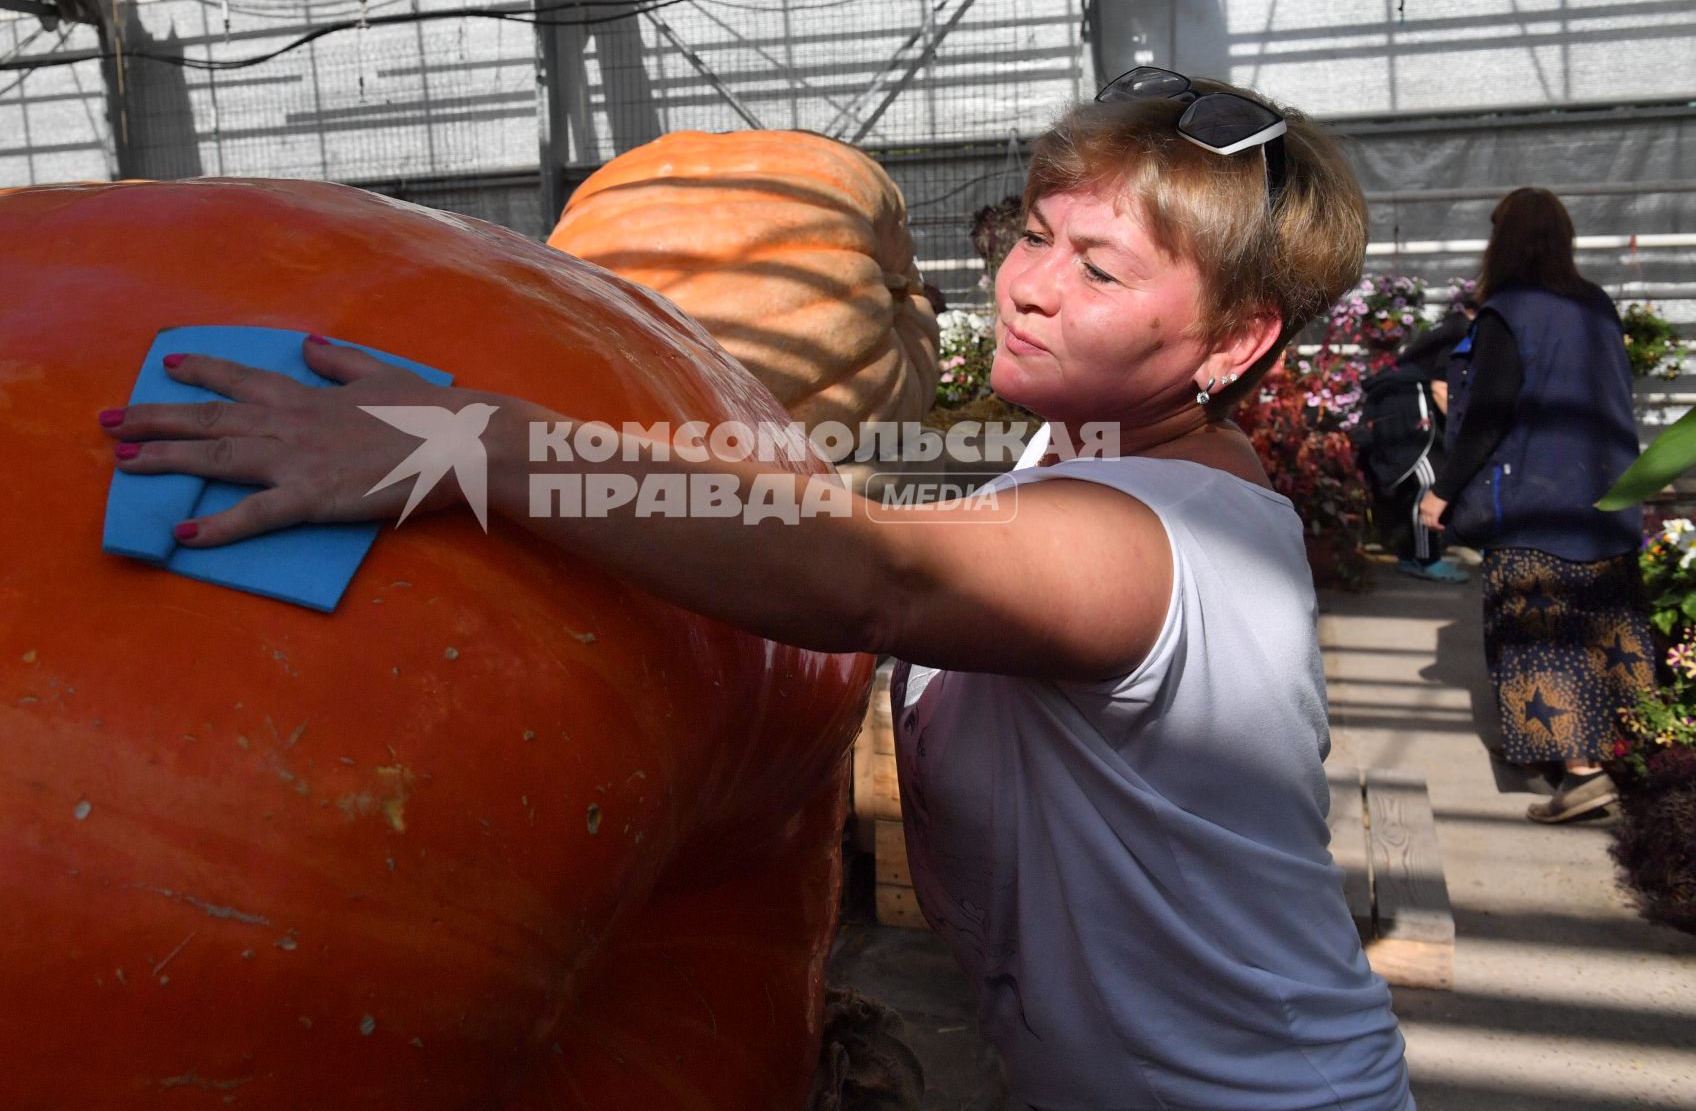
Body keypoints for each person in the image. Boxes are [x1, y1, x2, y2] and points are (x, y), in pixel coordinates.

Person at [99, 67, 1414, 1109]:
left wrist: (466, 444)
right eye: (1034, 231)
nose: (1024, 289)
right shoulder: (1095, 440)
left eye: (1100, 270)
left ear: (1235, 344)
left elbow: (869, 578)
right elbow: (878, 519)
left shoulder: (1152, 539)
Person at [1419, 187, 1653, 825]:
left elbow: (1490, 416)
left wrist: (1441, 491)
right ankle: (1584, 749)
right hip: (1604, 494)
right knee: (1601, 629)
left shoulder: (1507, 314)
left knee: (1542, 636)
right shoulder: (1597, 304)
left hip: (1533, 504)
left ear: (1505, 241)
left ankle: (1581, 773)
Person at [1355, 311, 1473, 582]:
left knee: (1413, 486)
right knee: (1428, 481)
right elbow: (1441, 389)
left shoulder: (1449, 328)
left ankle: (1410, 555)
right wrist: (1463, 431)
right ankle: (1426, 559)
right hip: (1407, 408)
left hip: (1393, 403)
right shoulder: (1462, 332)